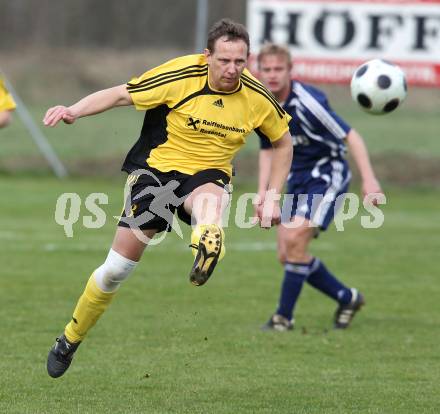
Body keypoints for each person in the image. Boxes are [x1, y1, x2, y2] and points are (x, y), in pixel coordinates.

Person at [43, 20, 293, 378]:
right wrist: (74, 110)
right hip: (156, 172)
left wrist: (271, 196)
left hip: (209, 172)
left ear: (247, 60)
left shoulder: (256, 96)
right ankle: (70, 338)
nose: (232, 69)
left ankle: (208, 238)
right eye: (224, 60)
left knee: (210, 205)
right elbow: (120, 94)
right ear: (207, 56)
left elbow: (283, 141)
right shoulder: (179, 75)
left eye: (240, 61)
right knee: (116, 270)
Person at [255, 43, 383, 331]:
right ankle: (346, 297)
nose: (273, 75)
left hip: (327, 173)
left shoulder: (308, 102)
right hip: (294, 176)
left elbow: (352, 137)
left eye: (279, 69)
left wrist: (369, 180)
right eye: (267, 69)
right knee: (287, 254)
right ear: (258, 71)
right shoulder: (262, 102)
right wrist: (264, 192)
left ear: (290, 71)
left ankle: (282, 319)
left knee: (295, 238)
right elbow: (267, 149)